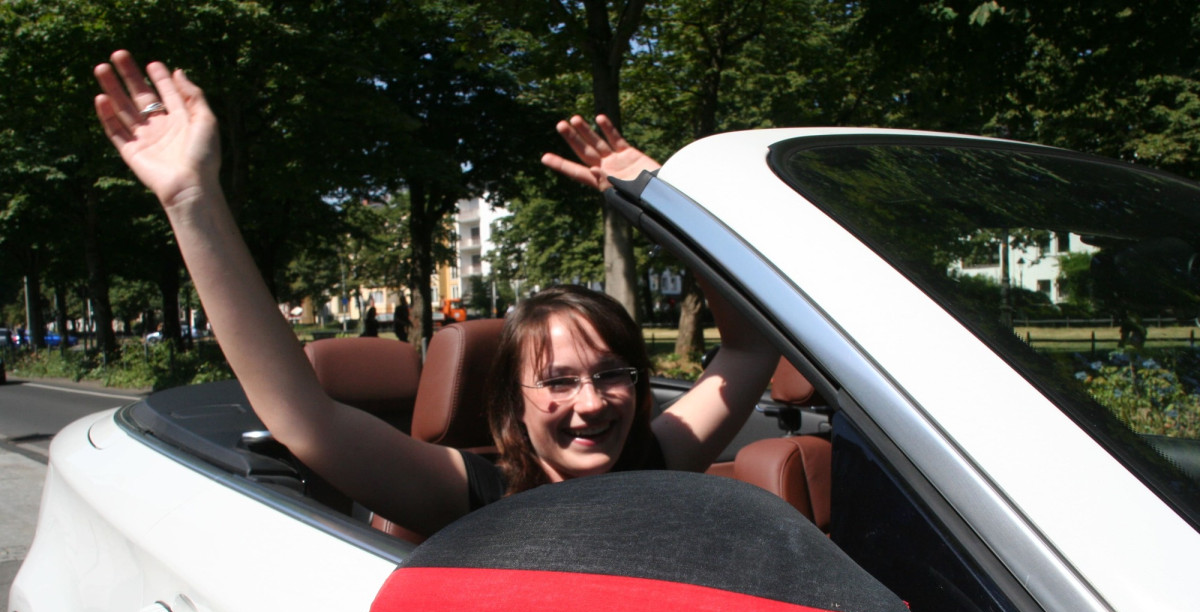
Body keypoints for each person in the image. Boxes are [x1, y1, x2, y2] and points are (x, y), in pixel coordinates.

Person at [93, 51, 778, 539]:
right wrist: (191, 199)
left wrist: (663, 204)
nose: (592, 403)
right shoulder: (477, 498)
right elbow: (303, 417)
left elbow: (750, 347)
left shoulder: (657, 460)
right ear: (512, 404)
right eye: (558, 381)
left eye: (611, 375)